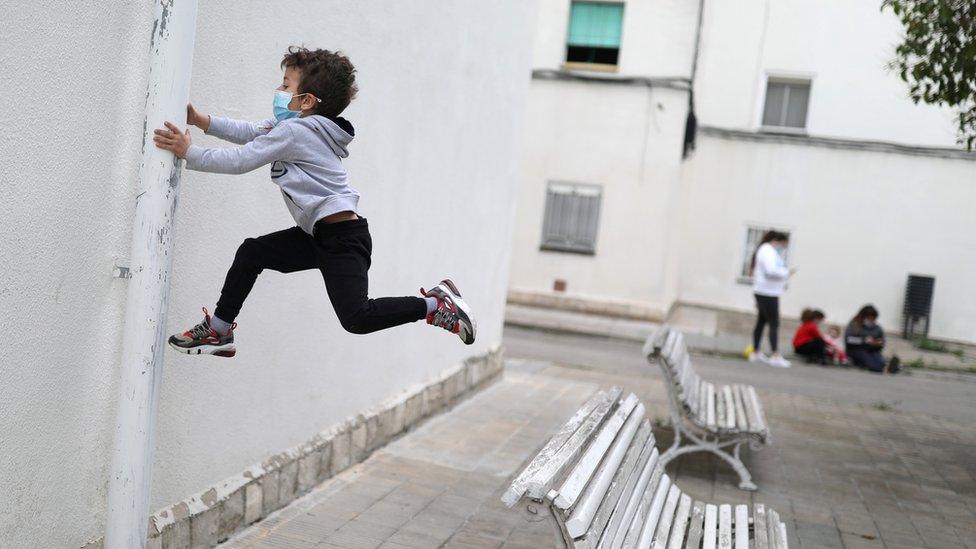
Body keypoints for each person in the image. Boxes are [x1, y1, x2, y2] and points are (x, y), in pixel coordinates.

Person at [152, 47, 476, 357]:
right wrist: (201, 120)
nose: (278, 89)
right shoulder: (293, 127)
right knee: (252, 252)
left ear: (305, 100)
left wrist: (188, 152)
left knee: (357, 318)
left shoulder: (296, 133)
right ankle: (219, 330)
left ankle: (436, 305)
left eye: (286, 84)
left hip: (343, 239)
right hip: (317, 235)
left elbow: (240, 160)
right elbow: (252, 131)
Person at [747, 231, 795, 368]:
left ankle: (756, 352)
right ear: (778, 240)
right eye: (784, 244)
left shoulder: (767, 250)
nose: (783, 247)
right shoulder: (767, 251)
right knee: (774, 322)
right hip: (767, 292)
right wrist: (786, 273)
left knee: (761, 322)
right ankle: (775, 354)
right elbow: (771, 271)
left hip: (767, 291)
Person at [845, 305, 900, 374]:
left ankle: (887, 366)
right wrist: (863, 341)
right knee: (872, 364)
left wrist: (878, 343)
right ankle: (886, 369)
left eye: (873, 318)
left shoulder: (877, 328)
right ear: (863, 317)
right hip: (857, 350)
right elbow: (849, 339)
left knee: (881, 362)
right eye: (869, 318)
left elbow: (882, 341)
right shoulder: (854, 325)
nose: (871, 320)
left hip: (872, 349)